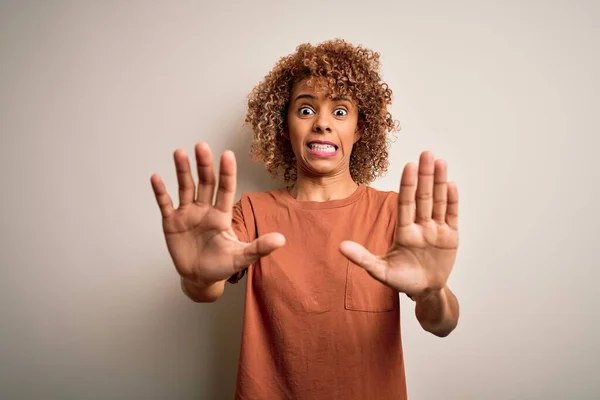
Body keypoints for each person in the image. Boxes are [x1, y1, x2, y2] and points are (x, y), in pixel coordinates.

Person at [150, 39, 460, 400]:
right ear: (285, 126)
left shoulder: (393, 214)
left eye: (340, 112)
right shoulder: (251, 213)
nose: (323, 124)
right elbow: (206, 289)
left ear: (361, 128)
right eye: (306, 110)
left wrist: (432, 291)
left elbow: (442, 324)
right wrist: (196, 278)